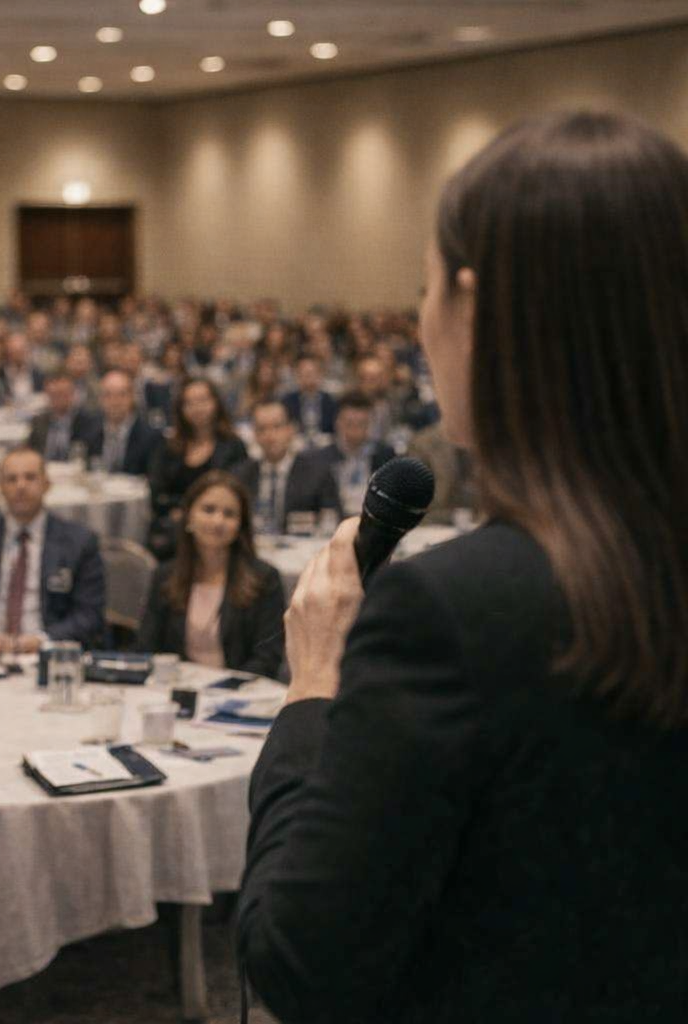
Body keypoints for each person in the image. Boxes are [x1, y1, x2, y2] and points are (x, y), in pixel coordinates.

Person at [238, 111, 688, 1023]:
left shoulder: (454, 613)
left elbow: (299, 962)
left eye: (427, 287)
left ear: (474, 308)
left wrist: (313, 691)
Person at [0, 446, 105, 653]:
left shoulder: (79, 542)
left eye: (30, 477)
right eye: (11, 479)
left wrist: (41, 641)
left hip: (49, 653)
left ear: (46, 484)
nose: (21, 486)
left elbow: (89, 616)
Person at [137, 470, 285, 678]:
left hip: (241, 692)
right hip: (178, 688)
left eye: (229, 514)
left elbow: (267, 659)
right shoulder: (164, 576)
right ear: (188, 517)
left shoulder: (265, 579)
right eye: (208, 510)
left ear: (240, 526)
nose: (218, 521)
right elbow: (146, 648)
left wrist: (222, 688)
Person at [147, 377, 248, 558]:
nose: (197, 408)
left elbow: (236, 492)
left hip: (218, 526)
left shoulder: (233, 446)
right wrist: (185, 513)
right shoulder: (169, 446)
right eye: (189, 403)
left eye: (203, 400)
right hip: (175, 528)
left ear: (216, 403)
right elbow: (156, 492)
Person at [234, 399, 341, 534]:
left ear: (291, 429)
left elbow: (333, 521)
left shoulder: (318, 473)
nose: (269, 436)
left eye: (277, 427)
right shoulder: (241, 475)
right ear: (254, 434)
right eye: (262, 429)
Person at [314, 390, 395, 515]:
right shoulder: (322, 458)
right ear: (337, 422)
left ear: (370, 424)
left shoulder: (385, 456)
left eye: (361, 424)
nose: (355, 431)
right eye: (349, 424)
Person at [87, 369, 162, 476]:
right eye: (108, 395)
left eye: (121, 395)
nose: (114, 401)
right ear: (100, 399)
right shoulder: (91, 431)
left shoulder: (150, 437)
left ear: (132, 397)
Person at [26, 372, 100, 462]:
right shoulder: (38, 421)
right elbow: (30, 451)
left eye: (63, 394)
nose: (59, 399)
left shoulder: (87, 422)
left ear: (72, 394)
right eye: (54, 395)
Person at [282, 353, 337, 436]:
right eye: (304, 374)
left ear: (320, 374)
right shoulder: (287, 402)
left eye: (311, 373)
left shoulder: (331, 401)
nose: (308, 378)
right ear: (296, 376)